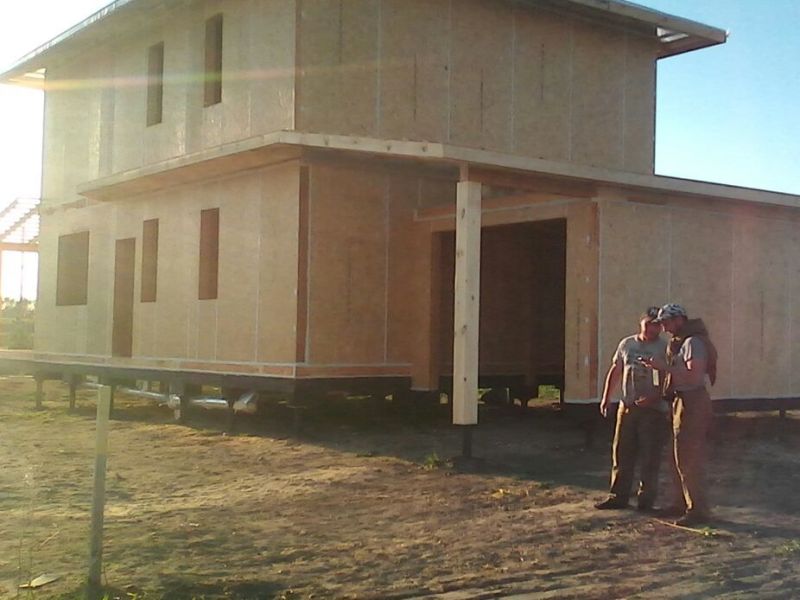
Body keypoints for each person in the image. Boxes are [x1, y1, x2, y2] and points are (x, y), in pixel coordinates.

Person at [644, 303, 718, 527]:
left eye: (666, 322)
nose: (664, 328)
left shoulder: (693, 343)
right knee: (676, 456)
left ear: (679, 320)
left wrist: (663, 367)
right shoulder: (681, 342)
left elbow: (693, 375)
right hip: (681, 401)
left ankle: (698, 510)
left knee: (689, 457)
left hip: (692, 402)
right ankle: (681, 503)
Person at [595, 307, 668, 511]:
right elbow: (616, 370)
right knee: (622, 452)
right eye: (649, 324)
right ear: (641, 323)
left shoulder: (664, 348)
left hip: (652, 409)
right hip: (627, 407)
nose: (652, 329)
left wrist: (655, 397)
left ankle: (646, 500)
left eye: (657, 325)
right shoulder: (627, 344)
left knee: (649, 456)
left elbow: (667, 377)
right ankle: (618, 496)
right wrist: (607, 397)